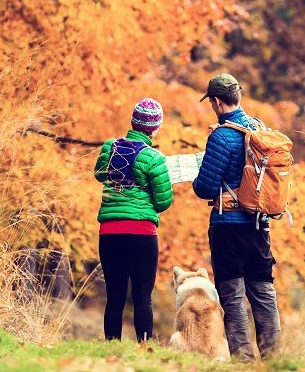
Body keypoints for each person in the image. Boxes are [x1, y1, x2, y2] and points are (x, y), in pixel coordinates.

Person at [192, 73, 282, 361]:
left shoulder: (221, 136)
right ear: (239, 96)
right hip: (260, 224)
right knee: (263, 290)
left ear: (217, 101)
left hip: (228, 226)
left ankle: (244, 361)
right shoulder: (259, 129)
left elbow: (205, 187)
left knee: (232, 293)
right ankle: (275, 359)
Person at [94, 98, 173, 341]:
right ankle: (144, 348)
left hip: (109, 232)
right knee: (142, 296)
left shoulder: (110, 147)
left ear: (132, 122)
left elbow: (99, 174)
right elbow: (163, 202)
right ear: (155, 128)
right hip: (141, 234)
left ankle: (111, 349)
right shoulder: (154, 158)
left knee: (114, 296)